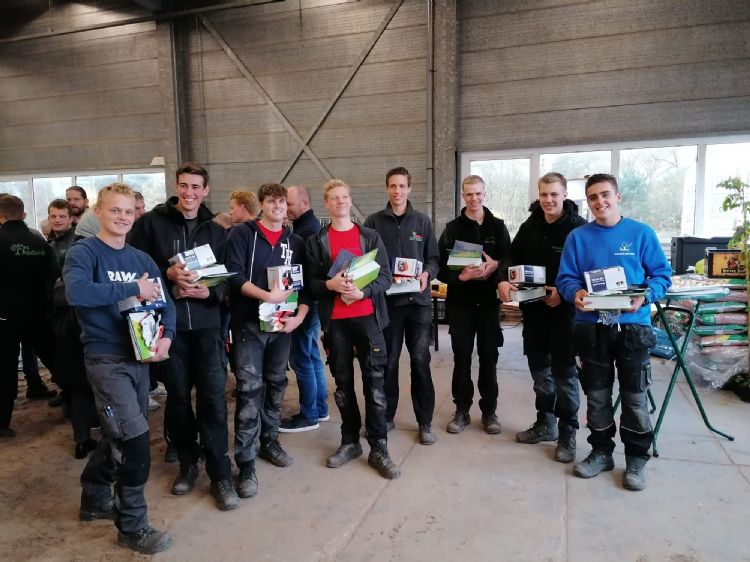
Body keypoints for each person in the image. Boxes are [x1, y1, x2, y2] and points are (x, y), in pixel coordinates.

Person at [63, 182, 175, 554]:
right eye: (115, 210)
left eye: (128, 211)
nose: (122, 217)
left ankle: (95, 493)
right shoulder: (84, 252)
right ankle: (132, 525)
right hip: (105, 359)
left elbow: (166, 304)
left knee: (120, 433)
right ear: (98, 211)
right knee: (134, 440)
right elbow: (77, 293)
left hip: (140, 358)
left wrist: (167, 337)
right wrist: (130, 291)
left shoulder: (141, 260)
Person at [128, 162, 238, 510]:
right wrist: (167, 274)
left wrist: (211, 294)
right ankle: (188, 464)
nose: (189, 193)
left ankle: (220, 472)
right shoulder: (151, 224)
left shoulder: (216, 231)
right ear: (176, 187)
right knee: (177, 398)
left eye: (196, 187)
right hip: (168, 328)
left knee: (213, 398)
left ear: (206, 190)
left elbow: (228, 280)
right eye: (184, 186)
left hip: (207, 328)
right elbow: (133, 269)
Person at [556, 173, 671, 491]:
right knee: (597, 397)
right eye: (593, 197)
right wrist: (576, 293)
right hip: (591, 328)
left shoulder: (641, 234)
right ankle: (601, 452)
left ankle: (636, 458)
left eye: (605, 194)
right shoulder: (578, 238)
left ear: (618, 197)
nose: (600, 202)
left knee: (634, 397)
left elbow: (662, 275)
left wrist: (645, 295)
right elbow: (565, 278)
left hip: (633, 327)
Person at [306, 179, 399, 479]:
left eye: (344, 196)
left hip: (368, 319)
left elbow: (385, 277)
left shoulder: (369, 237)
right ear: (326, 203)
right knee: (343, 385)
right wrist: (330, 285)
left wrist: (363, 292)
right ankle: (349, 441)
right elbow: (310, 283)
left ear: (350, 199)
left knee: (375, 384)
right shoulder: (317, 241)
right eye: (334, 198)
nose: (341, 201)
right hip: (336, 323)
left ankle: (379, 447)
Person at [226, 183, 310, 497]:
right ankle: (246, 461)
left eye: (282, 202)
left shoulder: (295, 241)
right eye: (271, 201)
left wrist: (298, 318)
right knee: (249, 389)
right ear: (261, 204)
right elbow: (233, 275)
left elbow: (306, 287)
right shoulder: (242, 234)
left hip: (281, 327)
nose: (277, 206)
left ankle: (269, 441)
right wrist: (266, 296)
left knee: (276, 384)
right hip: (248, 325)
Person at [498, 172, 586, 463]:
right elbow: (512, 256)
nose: (548, 200)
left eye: (554, 194)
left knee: (564, 374)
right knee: (539, 371)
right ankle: (546, 422)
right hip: (534, 311)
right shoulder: (531, 225)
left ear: (565, 195)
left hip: (565, 314)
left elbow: (587, 271)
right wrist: (503, 279)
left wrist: (564, 292)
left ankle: (568, 431)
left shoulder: (578, 229)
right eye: (544, 194)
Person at [364, 167, 439, 445]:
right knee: (389, 362)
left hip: (418, 304)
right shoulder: (373, 222)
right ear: (387, 188)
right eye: (393, 186)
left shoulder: (423, 221)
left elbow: (434, 258)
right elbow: (366, 260)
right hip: (388, 304)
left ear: (410, 188)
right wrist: (382, 275)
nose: (397, 191)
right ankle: (386, 417)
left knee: (420, 362)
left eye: (402, 186)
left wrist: (426, 274)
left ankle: (425, 422)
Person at [437, 175, 510, 435]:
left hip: (489, 304)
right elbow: (440, 268)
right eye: (469, 194)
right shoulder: (452, 229)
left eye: (478, 193)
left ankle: (489, 411)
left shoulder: (498, 227)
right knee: (462, 357)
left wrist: (497, 265)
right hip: (461, 304)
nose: (474, 198)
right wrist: (461, 278)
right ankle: (461, 410)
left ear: (484, 194)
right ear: (463, 196)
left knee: (489, 358)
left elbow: (510, 259)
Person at [0, 195, 60, 438]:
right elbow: (54, 275)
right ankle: (77, 401)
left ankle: (2, 424)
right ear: (23, 214)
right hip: (37, 311)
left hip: (5, 315)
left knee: (5, 368)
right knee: (54, 358)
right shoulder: (39, 243)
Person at [48, 198, 99, 458]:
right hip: (81, 330)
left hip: (72, 328)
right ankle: (86, 438)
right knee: (85, 385)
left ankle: (83, 437)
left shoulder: (72, 249)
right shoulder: (85, 253)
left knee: (81, 387)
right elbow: (64, 293)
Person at [279, 185, 329, 433]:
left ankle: (309, 415)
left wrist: (299, 311)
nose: (284, 208)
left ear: (304, 203)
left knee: (302, 359)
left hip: (304, 305)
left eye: (288, 203)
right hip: (312, 303)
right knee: (312, 356)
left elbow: (304, 276)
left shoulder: (305, 233)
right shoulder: (308, 228)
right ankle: (320, 408)